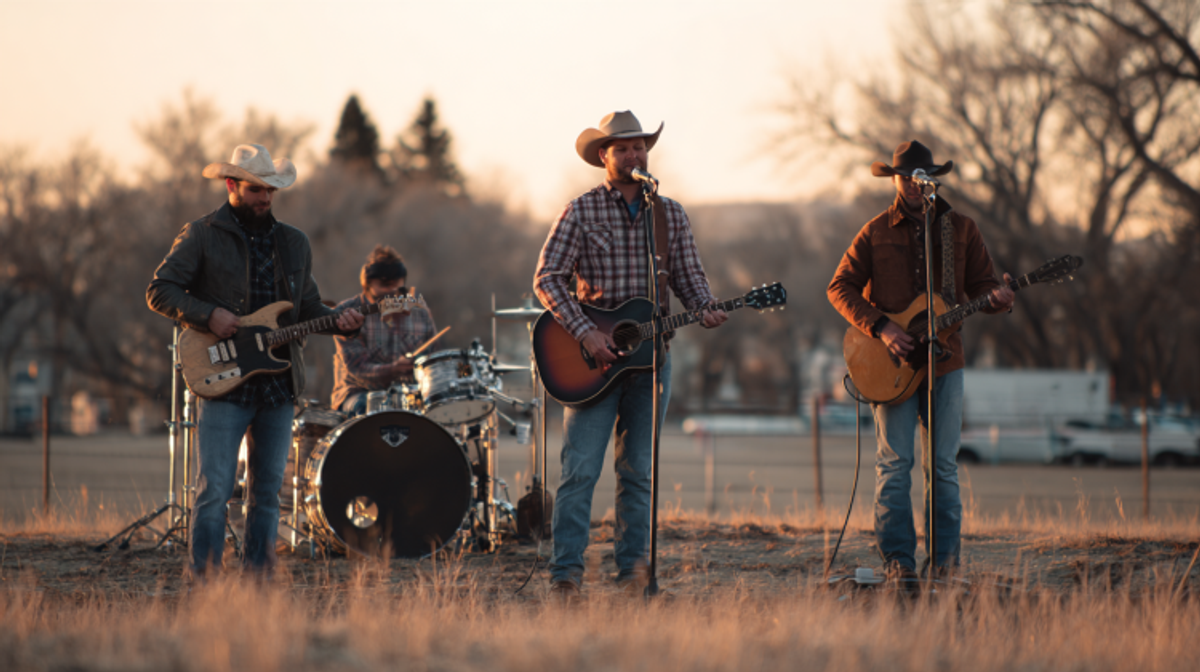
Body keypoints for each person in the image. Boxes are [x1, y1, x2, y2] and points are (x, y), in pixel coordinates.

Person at [533, 111, 727, 599]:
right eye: (623, 148)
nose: (634, 154)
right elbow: (548, 278)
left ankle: (634, 577)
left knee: (638, 473)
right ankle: (565, 576)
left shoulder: (670, 214)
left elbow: (690, 277)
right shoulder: (580, 211)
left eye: (640, 146)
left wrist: (705, 306)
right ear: (604, 156)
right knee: (580, 471)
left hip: (650, 362)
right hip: (591, 364)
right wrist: (585, 333)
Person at [147, 144, 364, 579]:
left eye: (270, 190)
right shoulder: (201, 234)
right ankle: (204, 581)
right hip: (222, 380)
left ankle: (259, 582)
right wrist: (208, 314)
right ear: (231, 185)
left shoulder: (294, 243)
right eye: (255, 190)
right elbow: (159, 290)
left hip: (278, 385)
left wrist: (342, 323)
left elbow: (306, 310)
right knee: (215, 490)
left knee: (267, 493)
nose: (264, 198)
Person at [827, 140, 1015, 581]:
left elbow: (983, 288)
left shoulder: (960, 229)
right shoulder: (875, 231)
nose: (914, 185)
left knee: (943, 468)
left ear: (932, 179)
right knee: (895, 466)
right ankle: (899, 564)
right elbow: (839, 287)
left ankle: (945, 566)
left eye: (922, 177)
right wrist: (882, 328)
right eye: (906, 178)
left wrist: (1000, 299)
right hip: (889, 365)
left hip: (945, 364)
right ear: (894, 180)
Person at [331, 245, 437, 415]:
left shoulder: (420, 313)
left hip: (410, 395)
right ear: (367, 284)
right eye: (384, 285)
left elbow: (433, 362)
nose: (391, 291)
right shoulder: (348, 313)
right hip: (358, 393)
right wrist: (392, 369)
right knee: (370, 407)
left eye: (396, 286)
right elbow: (356, 368)